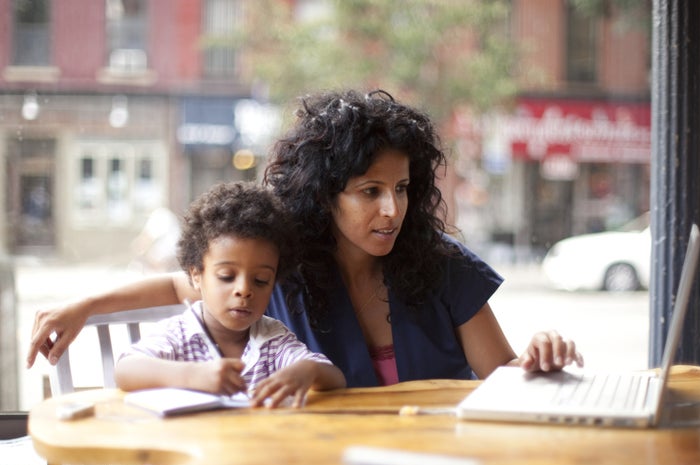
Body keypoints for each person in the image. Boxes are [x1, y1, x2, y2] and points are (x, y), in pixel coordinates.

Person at [28, 88, 582, 387]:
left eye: (403, 188)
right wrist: (81, 308)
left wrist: (540, 359)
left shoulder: (441, 265)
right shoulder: (279, 266)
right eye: (370, 191)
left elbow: (502, 377)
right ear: (324, 194)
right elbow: (183, 287)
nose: (393, 209)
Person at [114, 181, 346, 407]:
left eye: (261, 280)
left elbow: (336, 379)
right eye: (226, 276)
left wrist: (309, 370)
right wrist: (191, 375)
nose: (244, 290)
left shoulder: (272, 338)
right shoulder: (179, 335)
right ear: (196, 276)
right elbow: (125, 370)